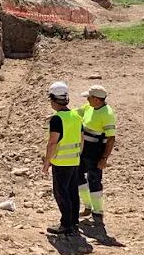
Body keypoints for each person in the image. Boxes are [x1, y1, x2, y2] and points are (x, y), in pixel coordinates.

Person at [42, 82, 83, 236]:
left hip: (61, 162)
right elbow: (81, 139)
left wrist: (47, 163)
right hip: (74, 161)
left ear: (53, 100)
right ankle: (73, 222)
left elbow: (52, 143)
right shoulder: (76, 116)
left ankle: (65, 225)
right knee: (73, 192)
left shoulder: (57, 119)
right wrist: (78, 155)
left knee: (61, 193)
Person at [76, 85, 116, 223]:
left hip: (96, 153)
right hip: (83, 150)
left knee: (94, 181)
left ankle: (97, 212)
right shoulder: (89, 107)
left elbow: (111, 138)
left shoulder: (107, 114)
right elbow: (76, 113)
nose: (87, 99)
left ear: (97, 99)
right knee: (78, 177)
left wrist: (104, 158)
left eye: (89, 97)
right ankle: (87, 206)